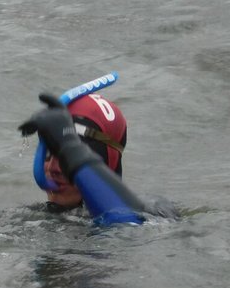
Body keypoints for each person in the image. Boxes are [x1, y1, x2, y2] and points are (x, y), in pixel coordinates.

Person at [19, 91, 152, 226]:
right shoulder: (25, 220)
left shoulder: (155, 211)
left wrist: (69, 144)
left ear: (108, 162)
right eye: (48, 152)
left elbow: (126, 225)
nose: (53, 168)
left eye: (68, 158)